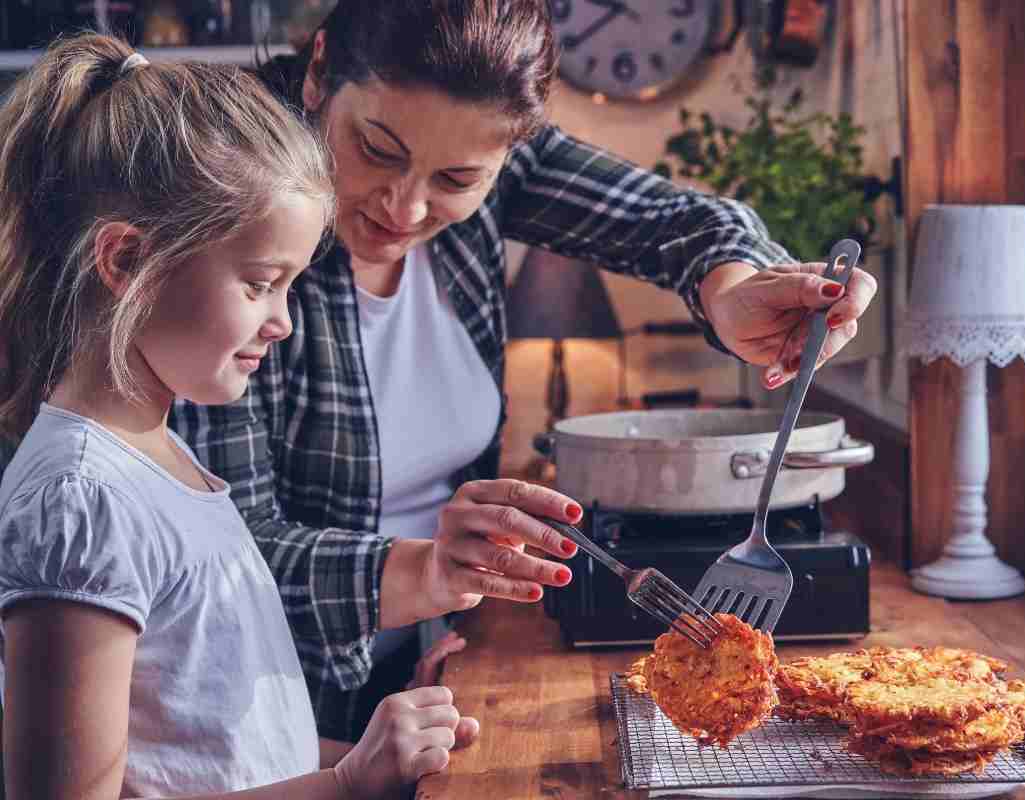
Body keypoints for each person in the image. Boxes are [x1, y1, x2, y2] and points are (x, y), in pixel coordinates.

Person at [171, 0, 879, 746]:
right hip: (270, 720)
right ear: (319, 72)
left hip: (417, 678)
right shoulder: (230, 205)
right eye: (376, 149)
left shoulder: (495, 151)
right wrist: (426, 577)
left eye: (455, 178)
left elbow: (679, 224)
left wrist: (732, 287)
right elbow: (221, 552)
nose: (405, 206)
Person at [0, 32, 526, 798]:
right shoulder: (81, 501)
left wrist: (376, 757)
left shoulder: (164, 460)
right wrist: (347, 783)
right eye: (259, 283)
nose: (282, 322)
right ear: (124, 262)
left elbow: (205, 746)